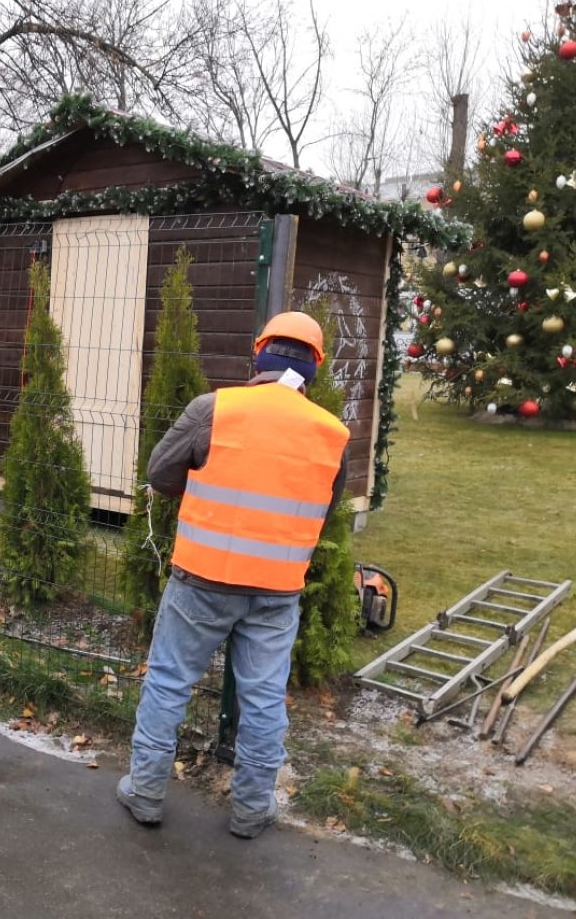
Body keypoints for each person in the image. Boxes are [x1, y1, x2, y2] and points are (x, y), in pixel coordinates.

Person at [116, 310, 349, 840]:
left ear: (258, 352)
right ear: (315, 364)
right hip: (276, 591)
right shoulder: (332, 433)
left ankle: (147, 792)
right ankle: (251, 809)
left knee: (170, 682)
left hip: (200, 579)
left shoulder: (214, 409)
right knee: (263, 698)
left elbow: (160, 472)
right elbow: (326, 506)